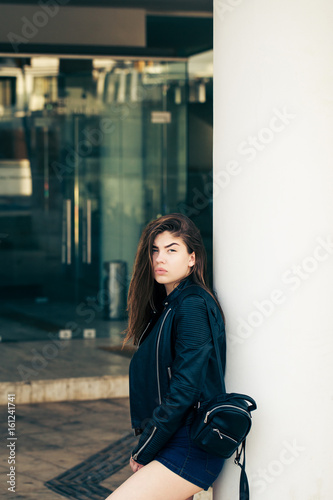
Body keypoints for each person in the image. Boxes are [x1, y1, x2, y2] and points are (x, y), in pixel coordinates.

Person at [105, 213, 226, 500]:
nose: (161, 258)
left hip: (189, 445)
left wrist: (147, 445)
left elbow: (185, 387)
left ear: (192, 258)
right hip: (175, 439)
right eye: (155, 250)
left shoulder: (193, 304)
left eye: (172, 250)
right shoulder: (168, 306)